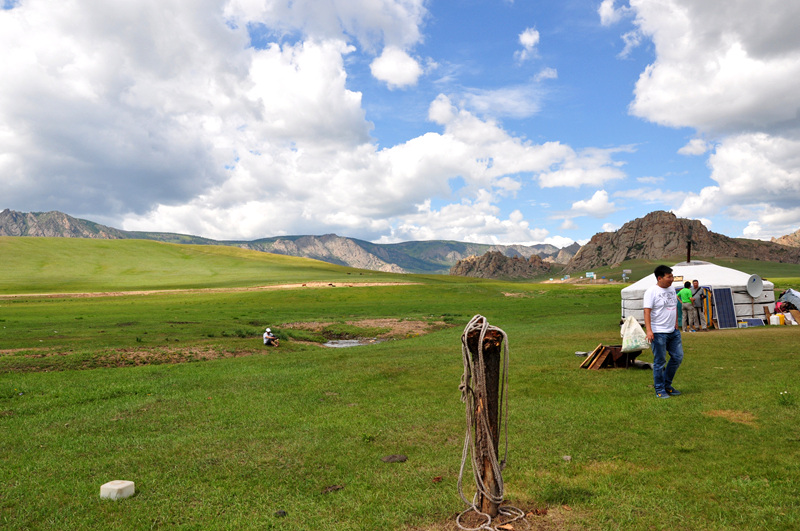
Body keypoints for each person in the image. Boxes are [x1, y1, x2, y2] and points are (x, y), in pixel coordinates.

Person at [643, 265, 684, 399]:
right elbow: (647, 311)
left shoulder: (672, 289)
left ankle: (667, 385)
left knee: (677, 357)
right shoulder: (651, 292)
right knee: (660, 362)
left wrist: (676, 322)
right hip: (658, 332)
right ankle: (659, 389)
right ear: (660, 278)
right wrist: (649, 330)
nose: (672, 279)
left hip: (673, 330)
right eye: (669, 277)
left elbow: (673, 305)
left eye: (672, 276)